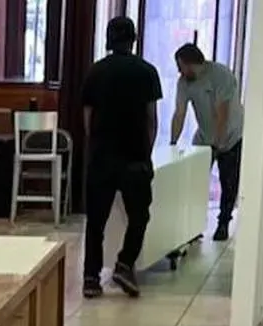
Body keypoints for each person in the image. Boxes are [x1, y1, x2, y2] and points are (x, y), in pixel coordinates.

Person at [80, 15, 162, 299]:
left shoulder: (95, 72)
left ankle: (90, 278)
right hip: (135, 157)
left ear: (108, 38)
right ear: (133, 39)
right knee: (139, 216)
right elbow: (152, 120)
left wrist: (96, 148)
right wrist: (147, 153)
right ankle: (124, 265)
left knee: (96, 222)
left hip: (102, 157)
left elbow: (88, 119)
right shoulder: (147, 71)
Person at [170, 42, 244, 242]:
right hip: (204, 137)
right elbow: (180, 113)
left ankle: (223, 223)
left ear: (192, 63)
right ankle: (194, 226)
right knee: (195, 181)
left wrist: (219, 144)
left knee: (229, 182)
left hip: (231, 136)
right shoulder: (184, 83)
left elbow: (223, 113)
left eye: (181, 66)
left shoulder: (221, 75)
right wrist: (173, 142)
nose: (179, 71)